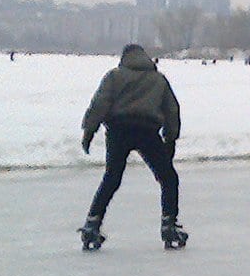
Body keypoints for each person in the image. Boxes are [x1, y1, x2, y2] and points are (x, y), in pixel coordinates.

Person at [78, 43, 184, 248]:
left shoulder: (114, 76)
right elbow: (172, 109)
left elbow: (100, 103)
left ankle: (92, 223)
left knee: (112, 178)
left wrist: (89, 130)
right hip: (147, 131)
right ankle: (169, 225)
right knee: (168, 178)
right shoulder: (158, 80)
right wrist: (170, 139)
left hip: (118, 131)